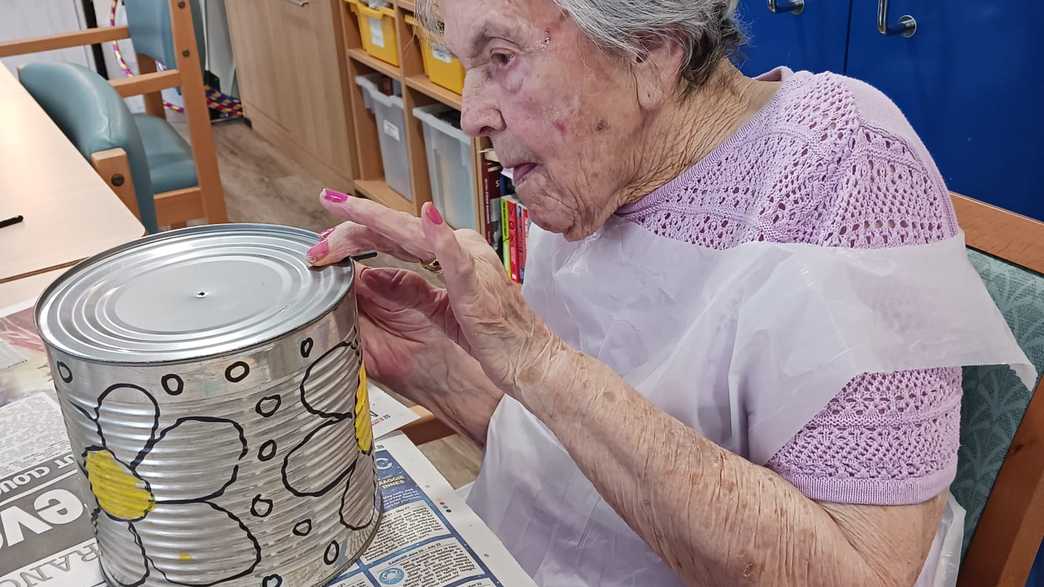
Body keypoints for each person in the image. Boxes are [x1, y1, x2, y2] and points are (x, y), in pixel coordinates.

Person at [305, 0, 1034, 584]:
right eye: (468, 64)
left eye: (502, 58)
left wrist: (533, 358)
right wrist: (440, 367)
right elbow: (578, 461)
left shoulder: (848, 178)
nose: (471, 114)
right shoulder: (600, 159)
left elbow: (856, 574)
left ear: (652, 49)